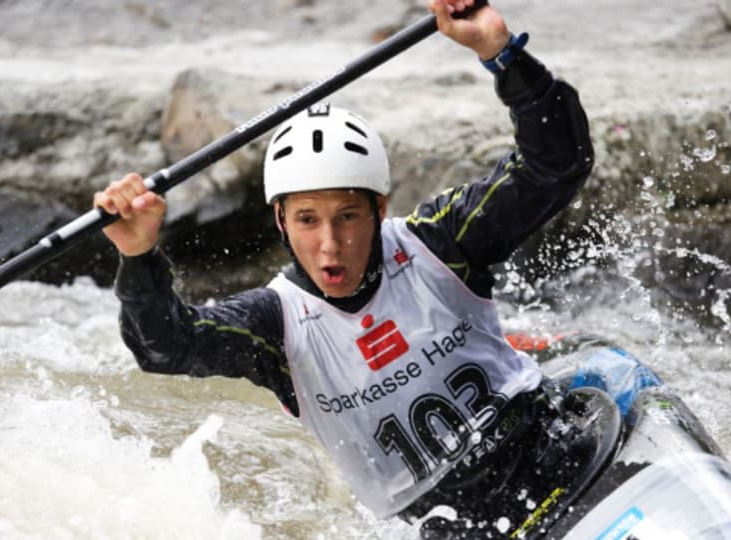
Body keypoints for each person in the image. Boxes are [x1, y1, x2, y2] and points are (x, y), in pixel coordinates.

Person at [95, 0, 596, 537]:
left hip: (553, 457)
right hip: (445, 527)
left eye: (348, 216)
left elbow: (557, 165)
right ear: (281, 221)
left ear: (380, 208)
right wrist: (139, 255)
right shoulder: (275, 325)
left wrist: (500, 52)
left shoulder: (440, 243)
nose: (330, 244)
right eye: (308, 220)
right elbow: (166, 347)